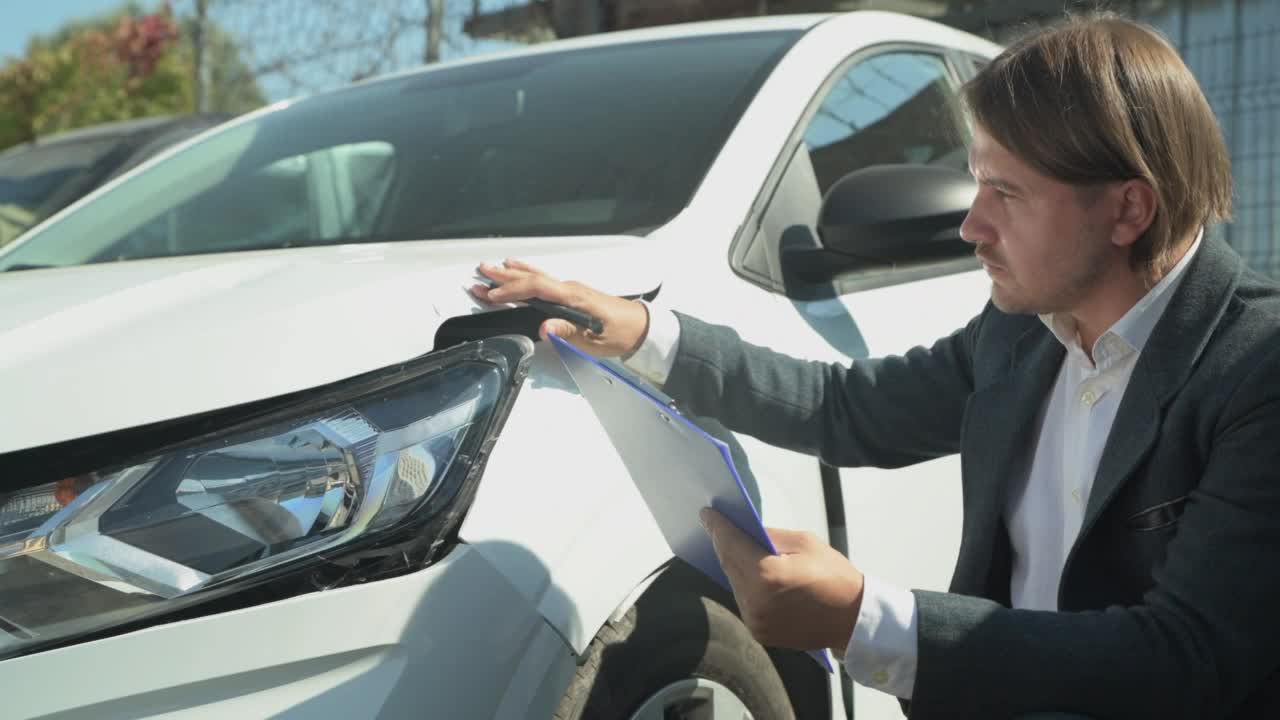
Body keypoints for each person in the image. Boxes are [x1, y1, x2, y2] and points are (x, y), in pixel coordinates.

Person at [472, 12, 1280, 719]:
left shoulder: (1258, 368)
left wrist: (864, 618)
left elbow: (1187, 661)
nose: (971, 226)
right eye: (975, 183)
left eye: (1008, 192)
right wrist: (648, 332)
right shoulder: (1022, 334)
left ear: (1128, 209)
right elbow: (846, 408)